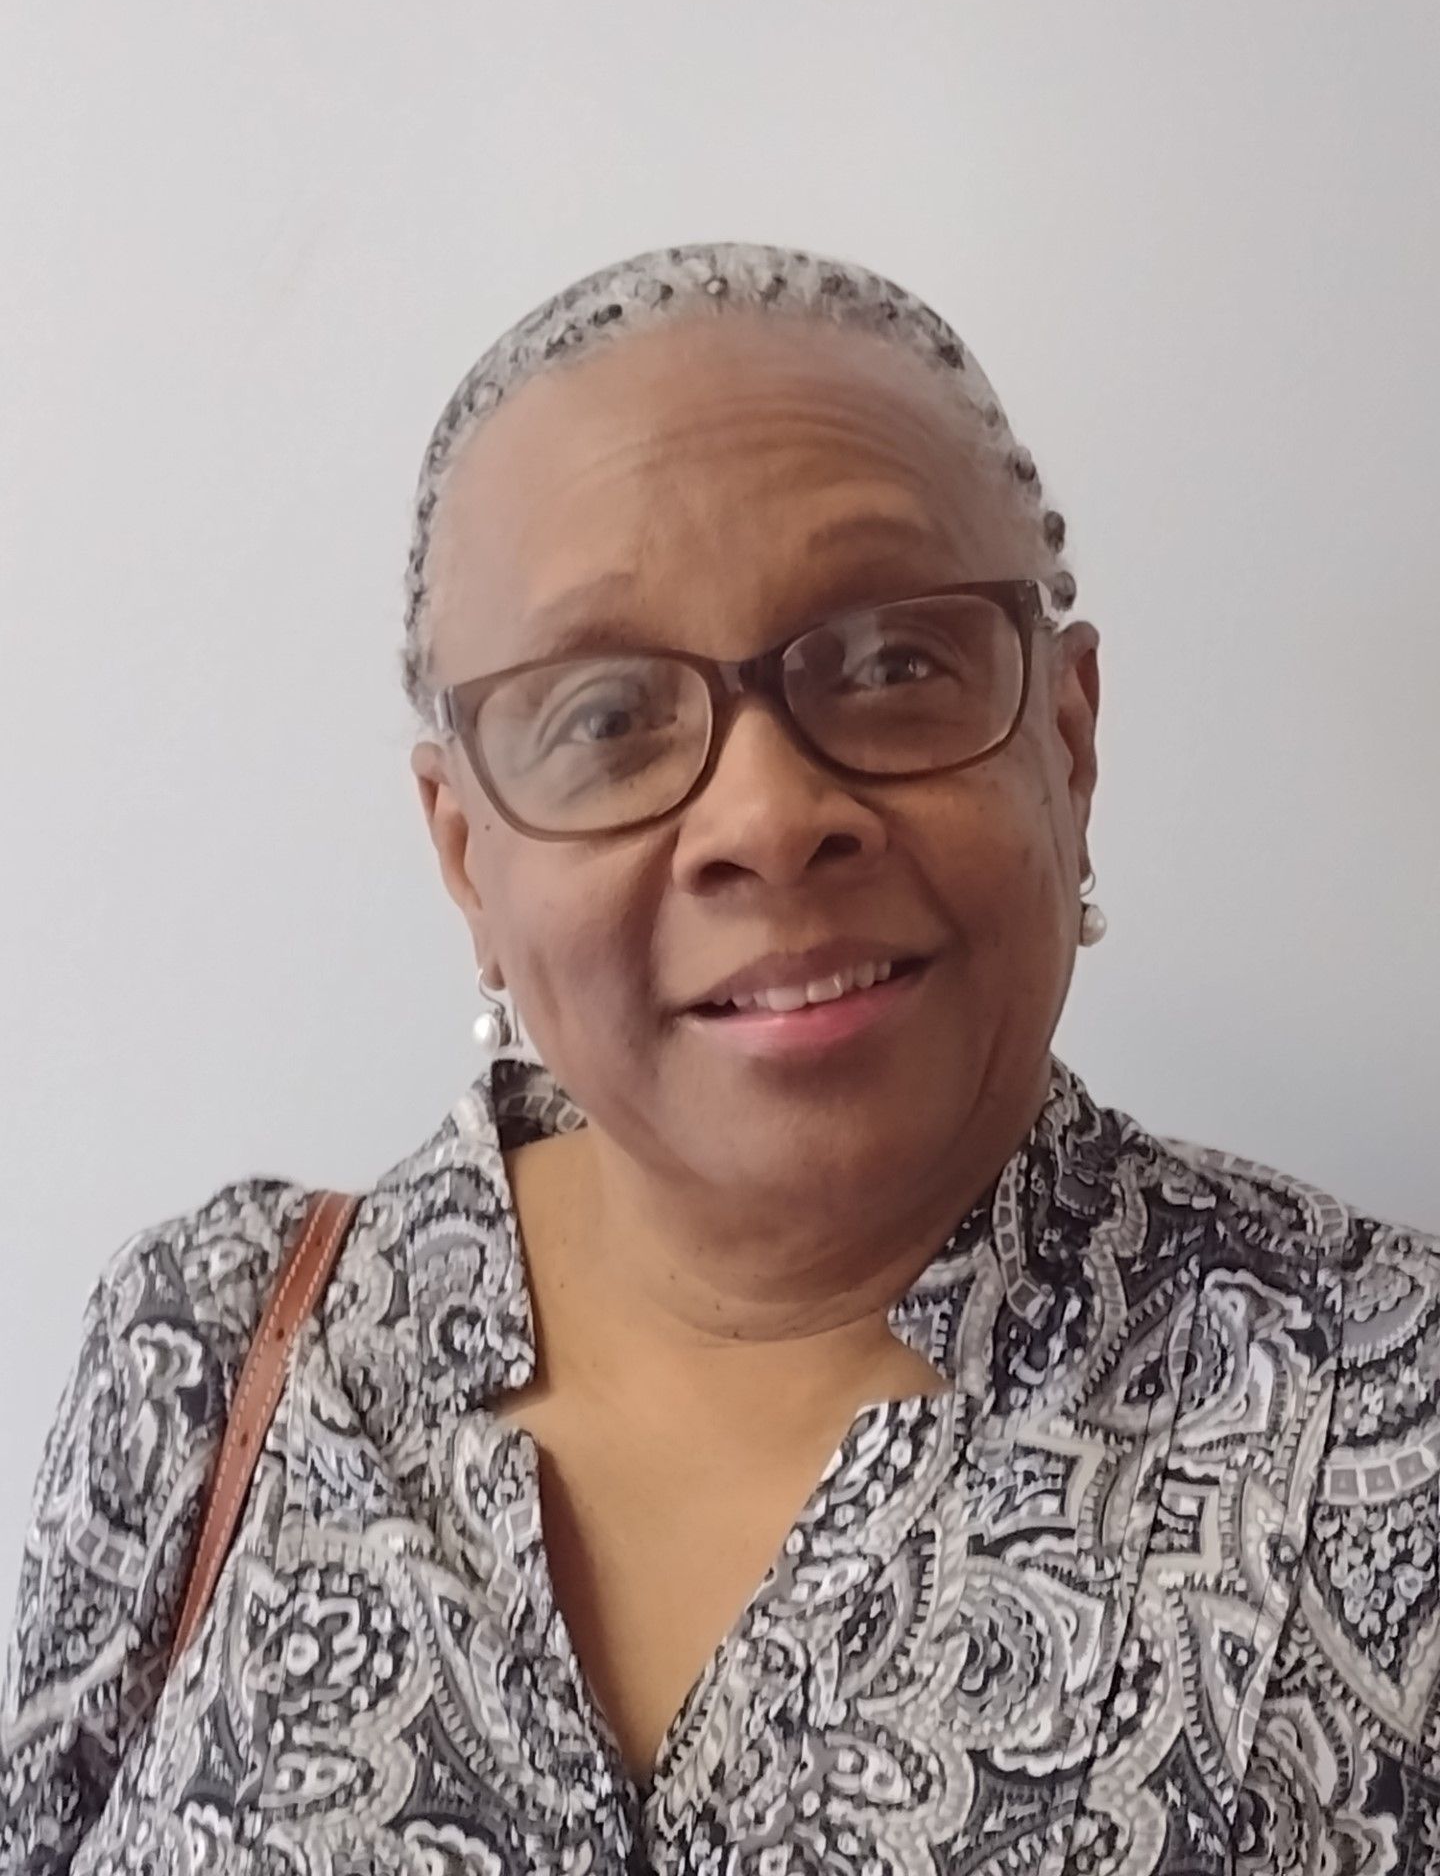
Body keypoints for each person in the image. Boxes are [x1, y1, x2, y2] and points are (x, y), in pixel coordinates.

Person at [1, 241, 1434, 1876]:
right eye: (606, 717)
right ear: (467, 853)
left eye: (895, 663)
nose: (764, 817)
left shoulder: (1387, 1424)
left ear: (1069, 735)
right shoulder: (216, 1351)